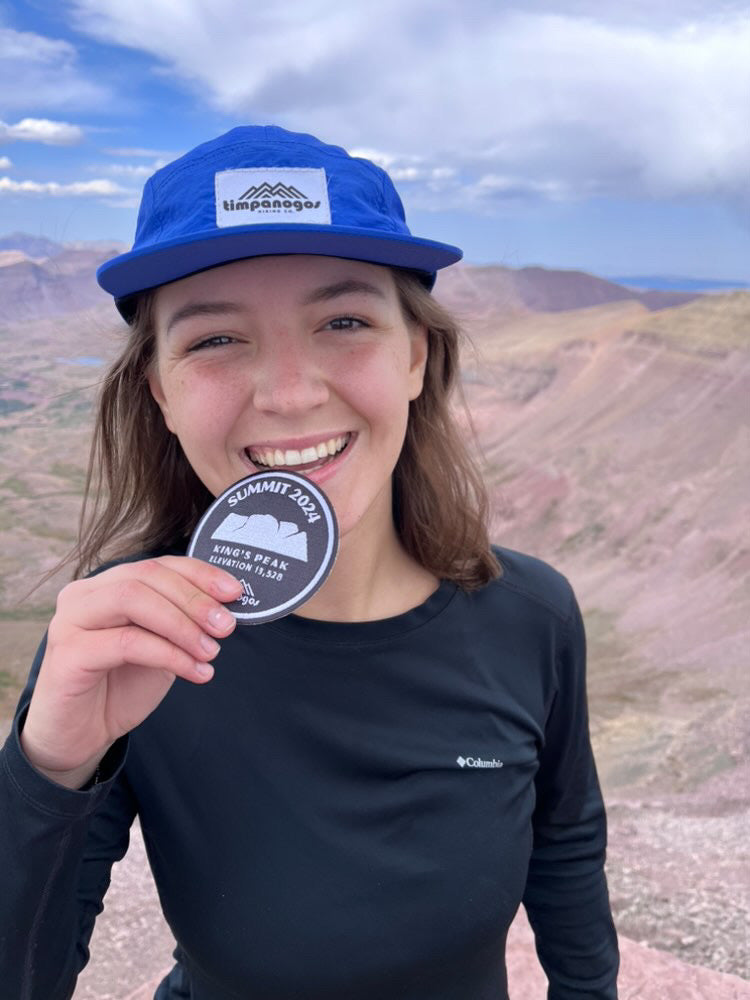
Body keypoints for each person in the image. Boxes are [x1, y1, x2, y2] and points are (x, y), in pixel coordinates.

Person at [0, 125, 619, 999]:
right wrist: (46, 773)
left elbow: (567, 847)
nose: (291, 395)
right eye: (215, 339)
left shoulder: (532, 615)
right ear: (161, 390)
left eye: (344, 322)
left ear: (415, 355)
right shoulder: (132, 639)